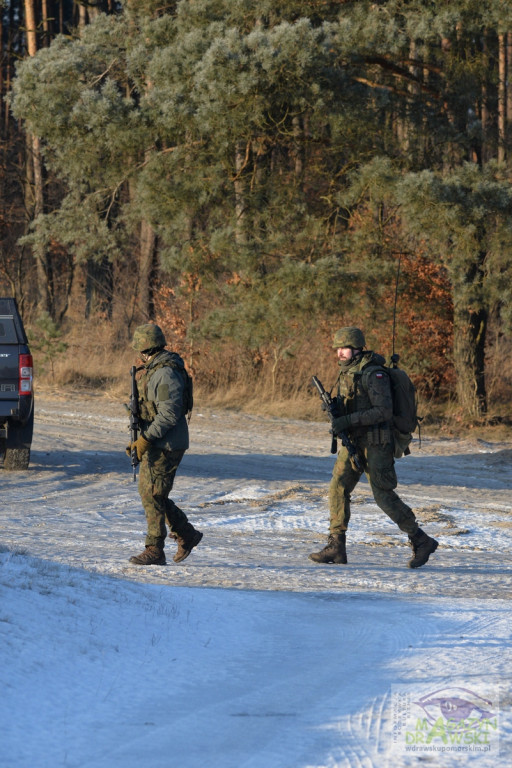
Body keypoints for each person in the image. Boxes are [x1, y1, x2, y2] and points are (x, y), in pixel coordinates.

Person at [309, 326, 438, 569]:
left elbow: (383, 411)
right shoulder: (347, 372)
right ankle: (336, 546)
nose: (339, 352)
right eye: (338, 348)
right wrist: (336, 409)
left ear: (357, 348)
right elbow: (356, 404)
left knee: (383, 496)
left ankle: (421, 540)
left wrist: (347, 420)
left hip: (376, 443)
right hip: (353, 441)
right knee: (338, 487)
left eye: (344, 348)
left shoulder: (373, 374)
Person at [127, 323, 202, 566]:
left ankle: (155, 549)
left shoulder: (165, 372)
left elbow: (169, 414)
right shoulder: (155, 369)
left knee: (152, 494)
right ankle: (186, 533)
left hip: (166, 444)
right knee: (154, 493)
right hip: (160, 441)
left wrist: (145, 440)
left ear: (145, 348)